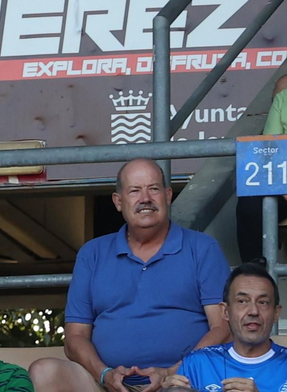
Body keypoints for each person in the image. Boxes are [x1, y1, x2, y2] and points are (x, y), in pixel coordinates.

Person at [29, 159, 228, 392]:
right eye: (134, 190)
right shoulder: (92, 254)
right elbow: (75, 337)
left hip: (181, 379)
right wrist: (104, 374)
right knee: (43, 371)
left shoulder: (202, 248)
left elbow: (223, 328)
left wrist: (170, 372)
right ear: (118, 201)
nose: (145, 198)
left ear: (168, 196)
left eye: (153, 189)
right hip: (105, 383)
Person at [169, 263, 287, 392]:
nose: (253, 311)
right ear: (225, 311)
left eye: (262, 302)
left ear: (276, 313)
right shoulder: (197, 363)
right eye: (242, 301)